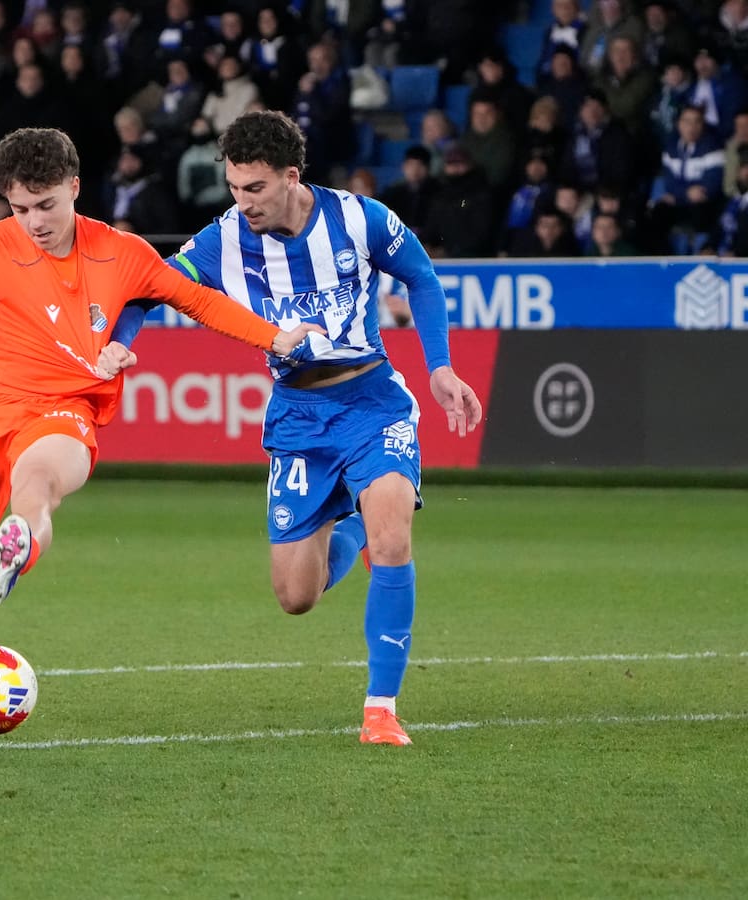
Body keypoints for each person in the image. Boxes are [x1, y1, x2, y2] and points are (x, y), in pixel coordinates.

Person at [0, 127, 321, 743]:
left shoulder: (122, 252)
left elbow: (199, 301)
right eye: (20, 208)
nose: (34, 221)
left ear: (75, 188)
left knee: (39, 483)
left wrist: (275, 337)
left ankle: (19, 542)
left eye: (46, 204)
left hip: (65, 406)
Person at [98, 110, 483, 747]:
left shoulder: (358, 218)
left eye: (254, 188)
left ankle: (380, 709)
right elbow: (150, 288)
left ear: (291, 177)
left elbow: (420, 275)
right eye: (233, 187)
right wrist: (121, 342)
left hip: (372, 402)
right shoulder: (223, 239)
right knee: (296, 596)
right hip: (297, 417)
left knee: (393, 540)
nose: (242, 201)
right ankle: (353, 522)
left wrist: (439, 366)